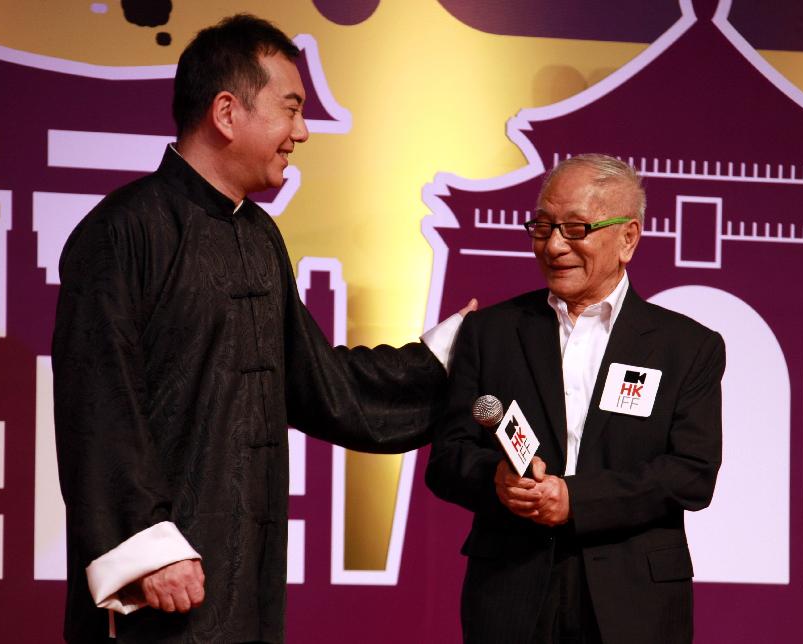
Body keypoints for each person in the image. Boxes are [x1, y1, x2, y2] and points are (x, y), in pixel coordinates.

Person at [53, 14, 468, 643]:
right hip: (160, 589)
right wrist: (148, 545)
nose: (302, 132)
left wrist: (440, 361)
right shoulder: (123, 230)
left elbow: (313, 378)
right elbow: (96, 400)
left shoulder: (258, 235)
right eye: (291, 109)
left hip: (245, 577)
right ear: (226, 111)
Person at [426, 154, 725, 644]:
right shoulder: (491, 332)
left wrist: (575, 499)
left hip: (635, 599)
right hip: (511, 589)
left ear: (628, 238)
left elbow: (691, 473)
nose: (554, 245)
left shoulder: (687, 346)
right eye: (542, 227)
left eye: (575, 228)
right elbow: (448, 458)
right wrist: (496, 480)